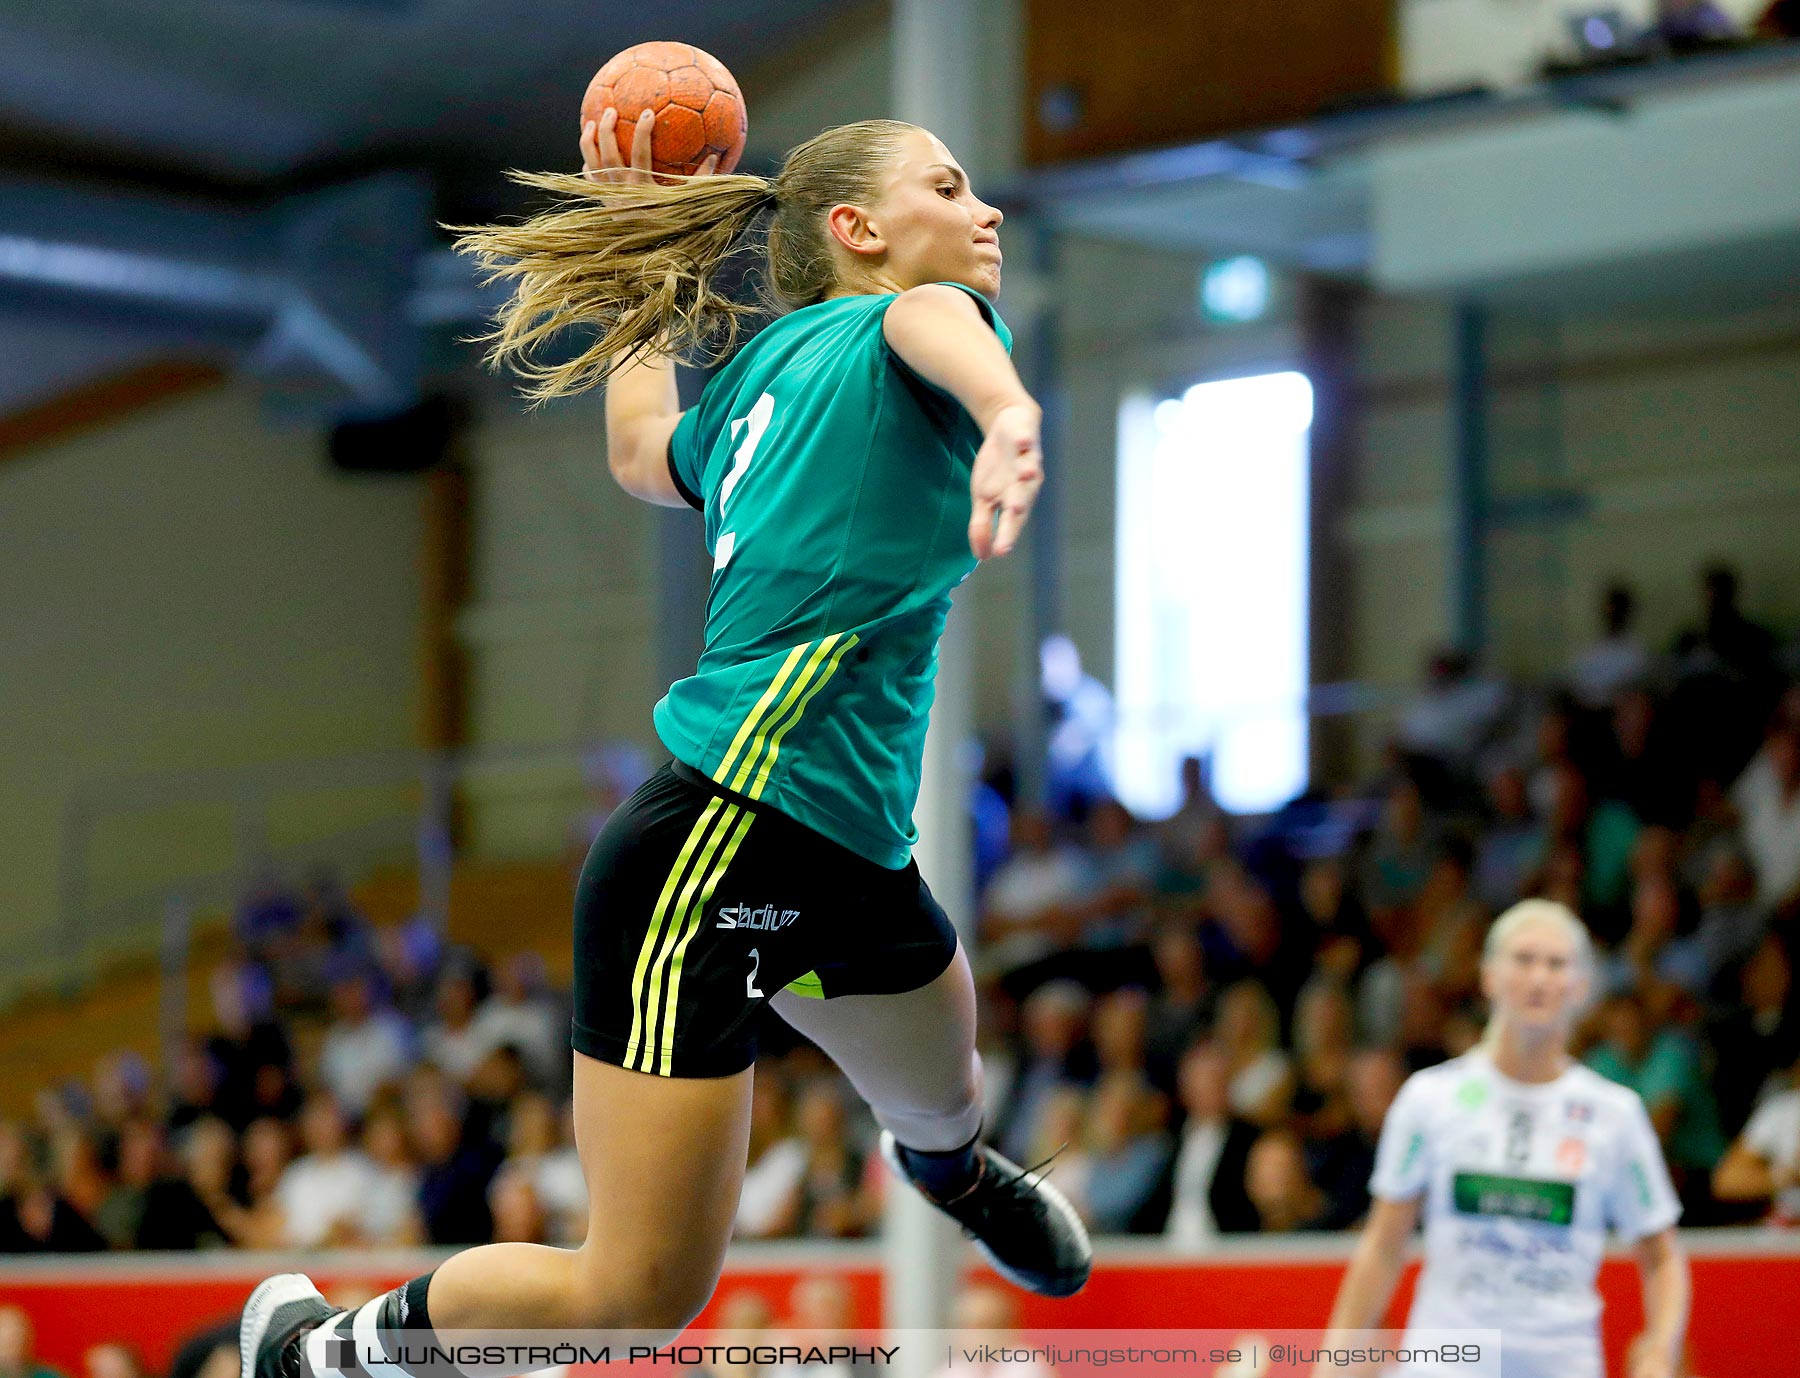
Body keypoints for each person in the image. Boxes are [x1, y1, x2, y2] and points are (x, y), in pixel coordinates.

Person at [241, 107, 1087, 1374]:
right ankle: (323, 1345)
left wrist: (635, 269)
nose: (988, 211)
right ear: (857, 231)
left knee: (950, 1088)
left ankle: (950, 1169)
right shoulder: (908, 323)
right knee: (635, 1296)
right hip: (714, 847)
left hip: (850, 844)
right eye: (950, 186)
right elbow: (932, 324)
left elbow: (644, 452)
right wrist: (1010, 410)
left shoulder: (756, 381)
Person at [1315, 900, 1689, 1378]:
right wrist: (1335, 1359)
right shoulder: (1430, 1098)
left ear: (1581, 986)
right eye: (1523, 959)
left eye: (1556, 964)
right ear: (1488, 976)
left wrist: (1662, 1348)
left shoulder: (1614, 1115)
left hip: (1561, 1363)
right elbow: (1383, 1246)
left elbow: (1661, 1257)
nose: (1538, 978)